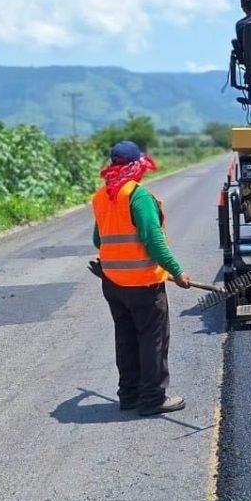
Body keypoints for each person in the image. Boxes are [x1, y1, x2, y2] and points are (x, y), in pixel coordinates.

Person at [91, 141, 191, 415]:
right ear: (137, 166)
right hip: (143, 285)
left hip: (112, 284)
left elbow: (97, 239)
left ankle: (130, 395)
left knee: (126, 337)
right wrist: (177, 271)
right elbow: (154, 242)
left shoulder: (102, 197)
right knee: (152, 339)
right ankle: (152, 399)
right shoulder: (138, 196)